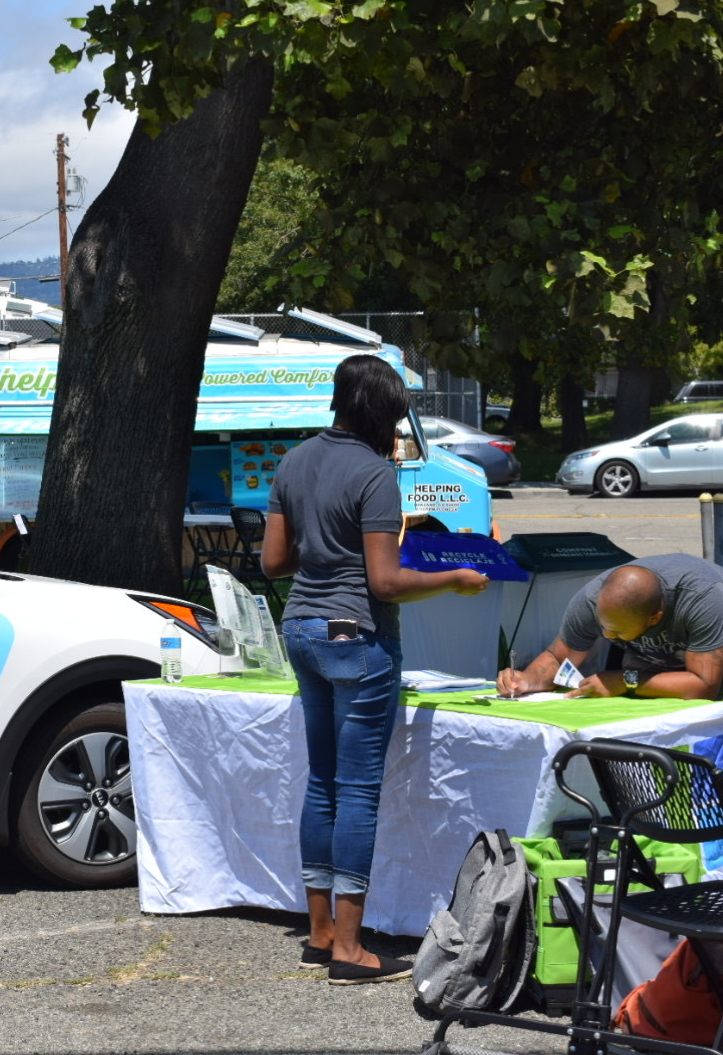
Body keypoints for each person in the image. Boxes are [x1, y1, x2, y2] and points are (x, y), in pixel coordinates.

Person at [261, 354, 489, 986]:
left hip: (302, 630)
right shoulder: (375, 475)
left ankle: (320, 933)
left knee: (323, 782)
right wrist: (455, 579)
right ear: (383, 411)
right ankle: (352, 950)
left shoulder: (295, 461)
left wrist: (322, 546)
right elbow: (386, 583)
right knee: (358, 790)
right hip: (357, 636)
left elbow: (274, 562)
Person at [494, 553, 723, 819]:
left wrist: (627, 681)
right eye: (604, 628)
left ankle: (720, 851)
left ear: (654, 617)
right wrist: (525, 679)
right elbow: (556, 657)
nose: (607, 636)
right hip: (659, 645)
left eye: (617, 633)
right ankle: (648, 831)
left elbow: (702, 685)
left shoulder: (700, 596)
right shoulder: (593, 600)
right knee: (638, 730)